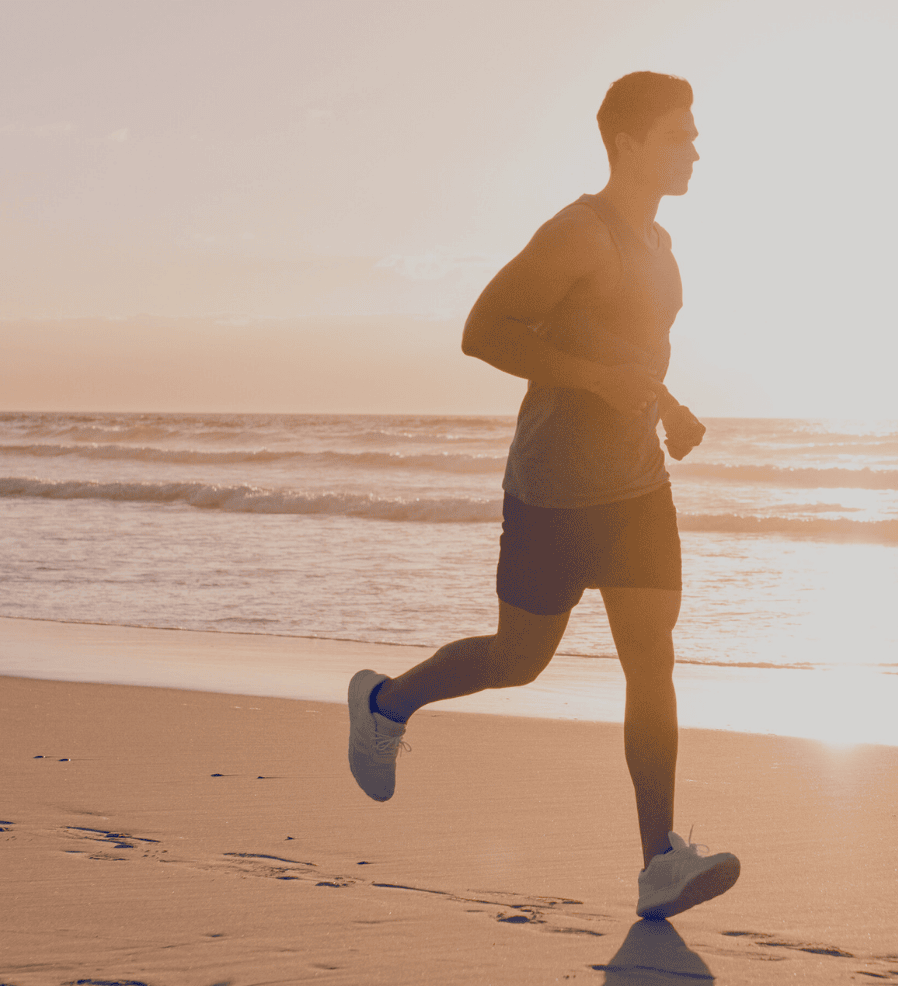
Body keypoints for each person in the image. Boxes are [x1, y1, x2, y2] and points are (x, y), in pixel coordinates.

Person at [344, 70, 738, 921]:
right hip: (555, 491)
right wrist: (599, 382)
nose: (697, 148)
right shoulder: (579, 233)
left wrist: (668, 407)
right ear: (628, 143)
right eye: (679, 133)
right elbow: (483, 332)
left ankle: (659, 863)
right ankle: (386, 702)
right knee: (518, 661)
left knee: (652, 662)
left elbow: (626, 348)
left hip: (637, 487)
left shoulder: (662, 248)